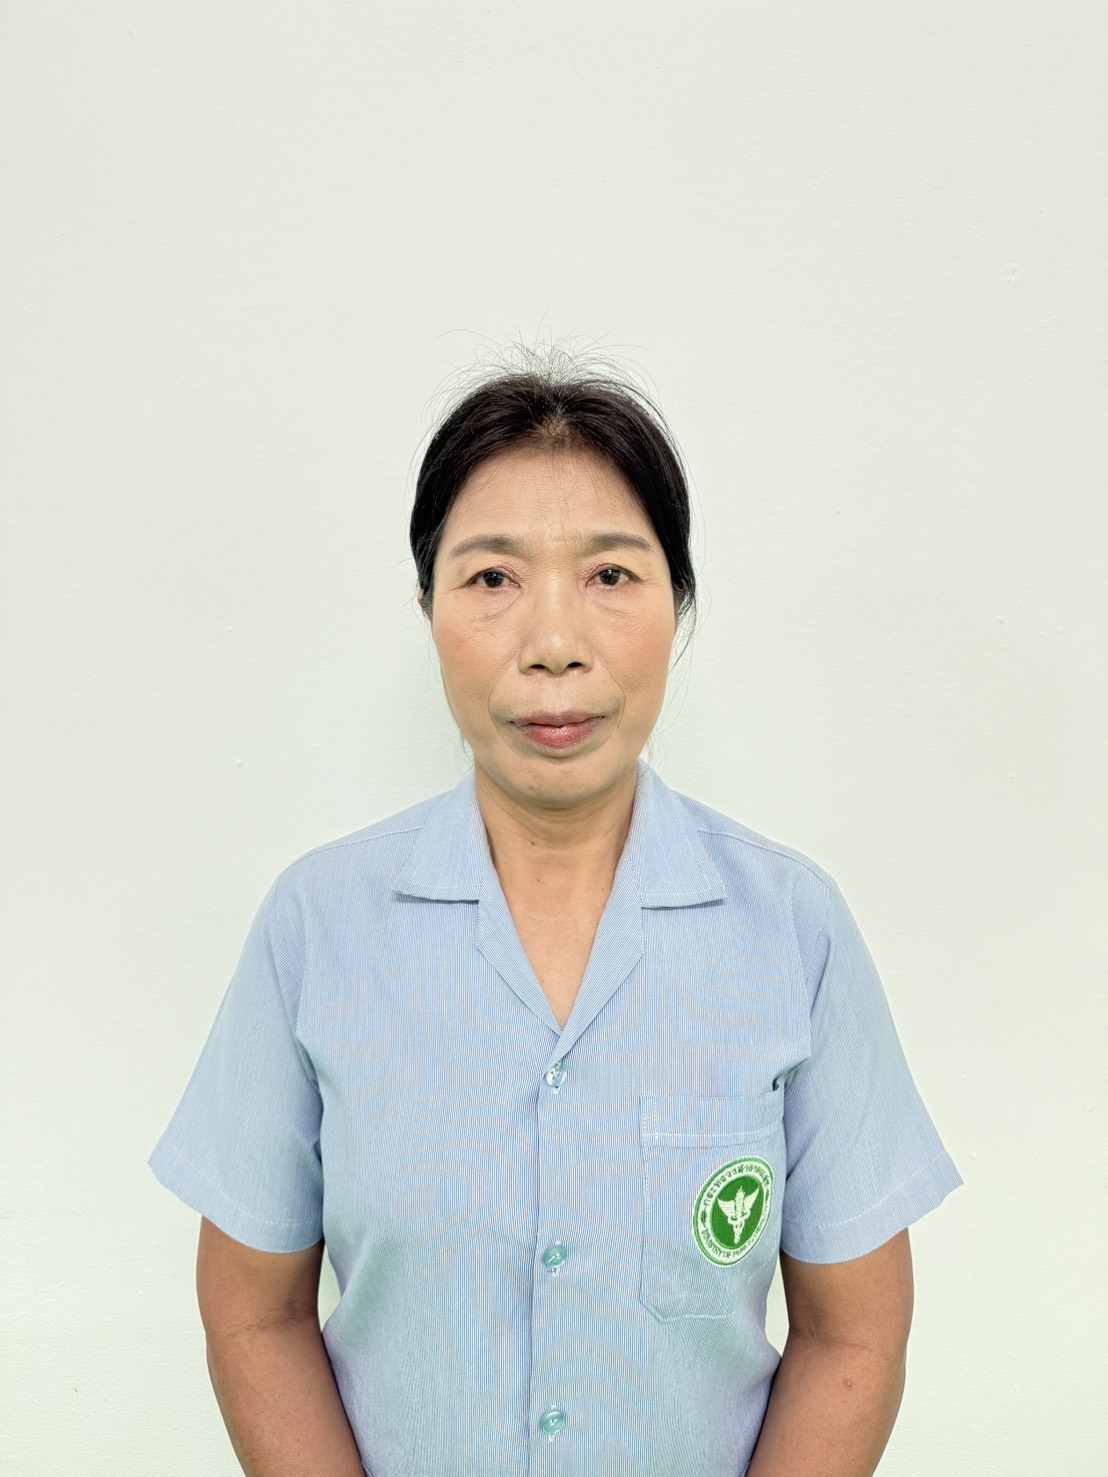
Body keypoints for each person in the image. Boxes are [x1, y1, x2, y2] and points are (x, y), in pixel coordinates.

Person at [150, 347, 962, 1477]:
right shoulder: (318, 928)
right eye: (492, 578)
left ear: (677, 604)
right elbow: (254, 1312)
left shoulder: (792, 931)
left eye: (611, 574)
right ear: (428, 605)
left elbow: (853, 1334)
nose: (554, 644)